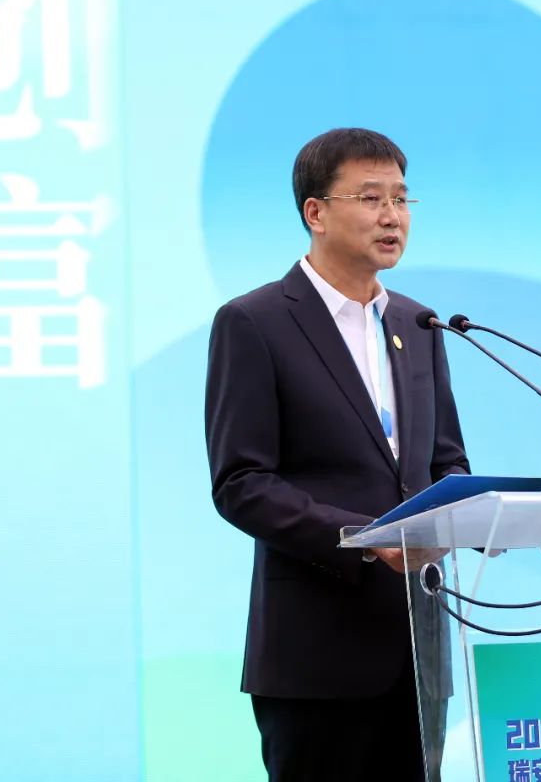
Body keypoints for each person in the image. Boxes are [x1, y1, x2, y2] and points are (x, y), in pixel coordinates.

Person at [205, 127, 470, 781]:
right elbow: (241, 481)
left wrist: (469, 518)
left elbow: (448, 464)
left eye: (402, 199)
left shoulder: (418, 324)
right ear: (316, 213)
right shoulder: (255, 322)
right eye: (371, 198)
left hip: (417, 649)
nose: (392, 216)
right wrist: (364, 540)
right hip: (315, 655)